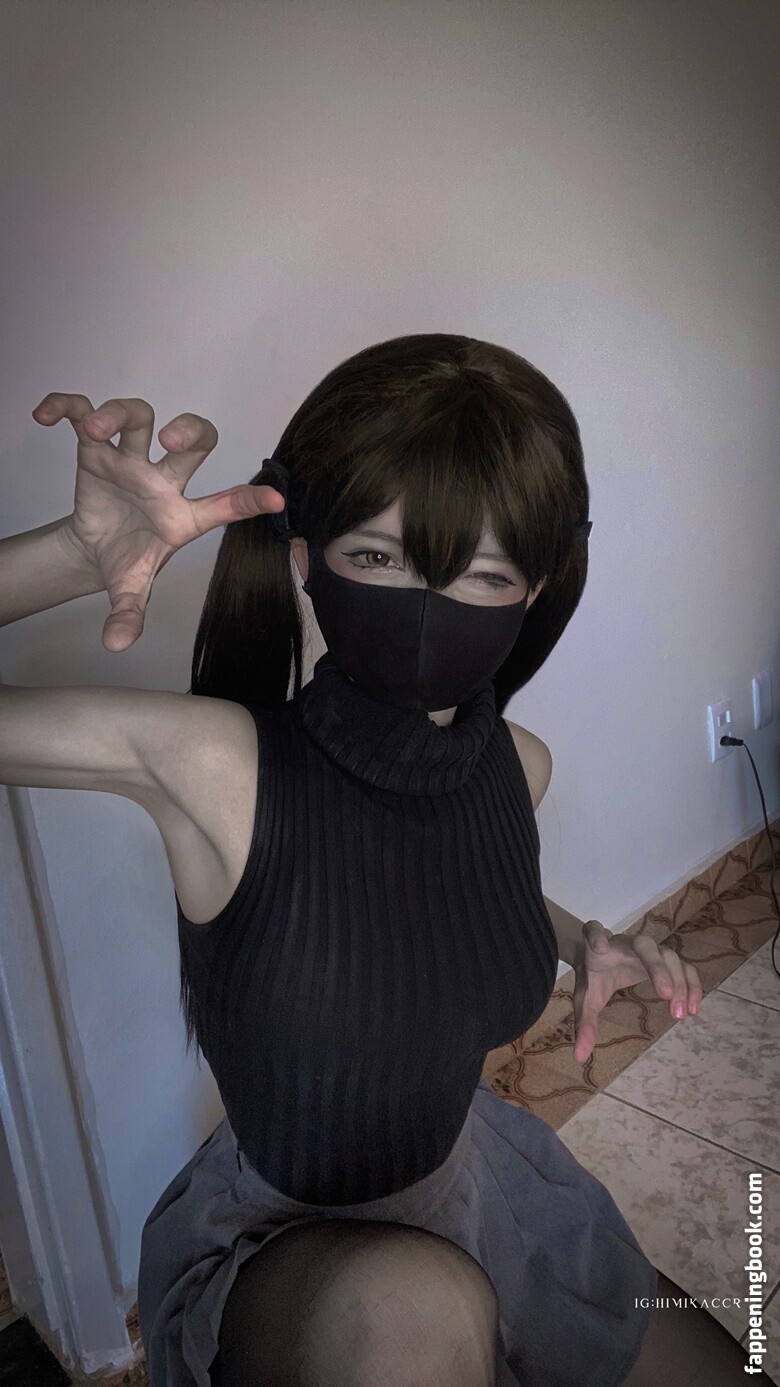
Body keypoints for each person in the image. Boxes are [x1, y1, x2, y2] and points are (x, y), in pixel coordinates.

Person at [1, 335, 769, 1387]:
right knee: (414, 1315)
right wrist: (73, 555)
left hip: (485, 1191)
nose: (425, 607)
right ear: (305, 558)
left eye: (484, 574)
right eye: (376, 557)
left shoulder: (518, 765)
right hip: (285, 1252)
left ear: (535, 589)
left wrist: (578, 936)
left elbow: (438, 885)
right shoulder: (215, 765)